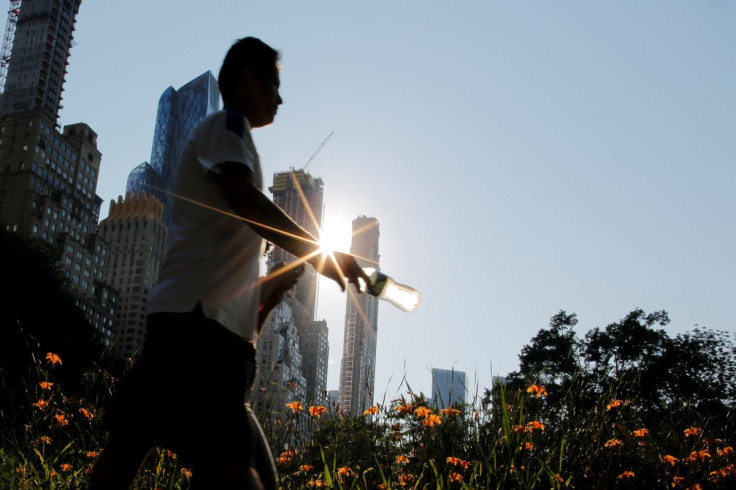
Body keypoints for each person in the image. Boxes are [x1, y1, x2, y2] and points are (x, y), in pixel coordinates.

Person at [89, 37, 368, 490]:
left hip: (187, 323)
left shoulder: (232, 143)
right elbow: (245, 200)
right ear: (244, 79)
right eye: (272, 85)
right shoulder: (228, 126)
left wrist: (268, 294)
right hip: (201, 333)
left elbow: (226, 258)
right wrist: (323, 254)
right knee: (227, 469)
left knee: (131, 445)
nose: (279, 97)